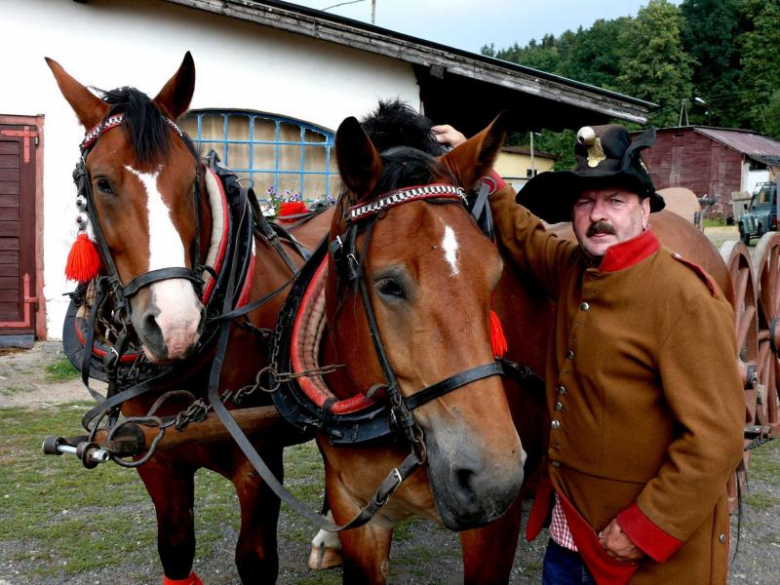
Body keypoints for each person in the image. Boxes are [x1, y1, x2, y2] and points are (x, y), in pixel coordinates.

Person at [433, 123, 744, 584]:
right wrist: (480, 170)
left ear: (644, 211)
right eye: (585, 202)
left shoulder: (685, 298)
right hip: (569, 537)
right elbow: (524, 235)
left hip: (637, 555)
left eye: (615, 200)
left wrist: (646, 527)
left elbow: (716, 438)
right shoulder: (574, 270)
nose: (598, 214)